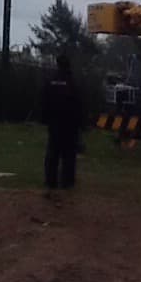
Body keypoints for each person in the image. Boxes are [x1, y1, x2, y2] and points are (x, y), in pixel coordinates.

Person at [38, 53, 84, 190]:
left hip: (54, 124)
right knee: (69, 155)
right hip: (70, 125)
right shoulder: (72, 82)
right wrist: (81, 123)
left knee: (52, 153)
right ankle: (67, 181)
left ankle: (50, 181)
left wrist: (45, 118)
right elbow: (78, 103)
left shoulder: (51, 80)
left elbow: (44, 101)